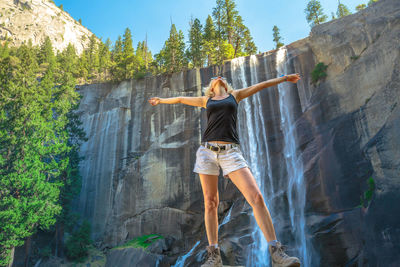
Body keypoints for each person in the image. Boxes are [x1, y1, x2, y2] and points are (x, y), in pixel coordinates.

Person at [148, 74, 302, 267]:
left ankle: (276, 253)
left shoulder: (234, 95)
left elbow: (260, 85)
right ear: (210, 87)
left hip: (231, 153)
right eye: (212, 77)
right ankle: (214, 256)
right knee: (211, 202)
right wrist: (161, 100)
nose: (217, 77)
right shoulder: (206, 100)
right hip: (207, 153)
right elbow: (180, 98)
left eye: (220, 76)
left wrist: (284, 78)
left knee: (256, 197)